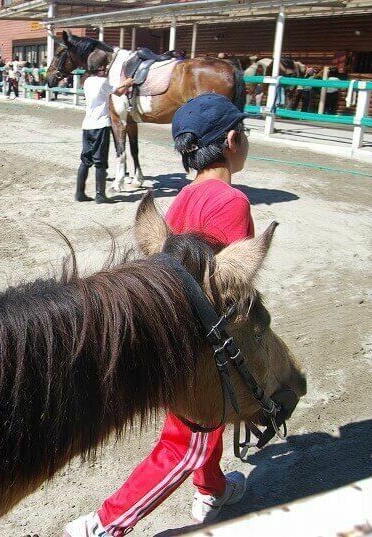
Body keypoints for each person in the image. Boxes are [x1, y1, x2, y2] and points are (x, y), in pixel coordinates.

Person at [65, 93, 254, 537]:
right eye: (244, 133)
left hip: (175, 330)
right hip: (198, 342)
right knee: (184, 441)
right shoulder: (231, 202)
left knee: (207, 424)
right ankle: (102, 525)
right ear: (232, 140)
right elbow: (224, 291)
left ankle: (211, 489)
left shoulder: (184, 198)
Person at [75, 66, 113, 203]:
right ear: (100, 68)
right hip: (101, 125)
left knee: (85, 160)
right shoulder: (104, 82)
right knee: (100, 162)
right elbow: (119, 91)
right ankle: (100, 195)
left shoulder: (87, 81)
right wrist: (128, 82)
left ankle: (79, 193)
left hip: (87, 125)